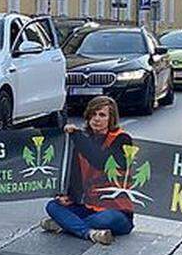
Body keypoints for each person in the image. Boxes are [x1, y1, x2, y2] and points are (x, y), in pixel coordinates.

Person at [40, 96, 135, 245]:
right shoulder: (84, 139)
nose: (96, 119)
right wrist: (66, 195)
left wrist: (77, 136)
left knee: (106, 219)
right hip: (88, 205)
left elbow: (99, 161)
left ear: (111, 119)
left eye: (102, 115)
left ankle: (66, 225)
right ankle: (89, 233)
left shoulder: (122, 139)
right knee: (53, 206)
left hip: (116, 210)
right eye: (93, 114)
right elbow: (75, 174)